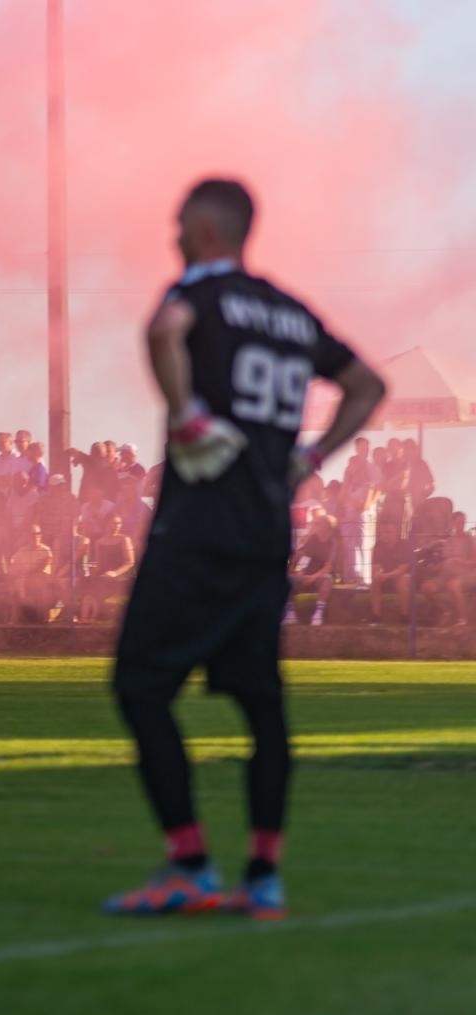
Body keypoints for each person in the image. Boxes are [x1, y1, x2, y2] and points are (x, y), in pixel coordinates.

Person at [105, 178, 386, 920]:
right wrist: (312, 455)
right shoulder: (293, 314)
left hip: (196, 528)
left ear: (202, 229)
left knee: (139, 687)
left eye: (177, 224)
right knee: (264, 709)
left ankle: (190, 865)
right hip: (266, 532)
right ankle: (263, 878)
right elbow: (367, 384)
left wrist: (188, 414)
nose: (171, 236)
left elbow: (164, 331)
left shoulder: (202, 289)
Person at [284, 514, 336, 626]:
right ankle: (290, 613)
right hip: (307, 575)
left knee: (327, 581)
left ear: (326, 527)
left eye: (317, 524)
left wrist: (313, 577)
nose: (314, 526)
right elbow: (302, 556)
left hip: (321, 576)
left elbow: (328, 567)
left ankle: (318, 614)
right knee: (286, 579)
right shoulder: (312, 539)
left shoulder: (333, 544)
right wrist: (298, 571)